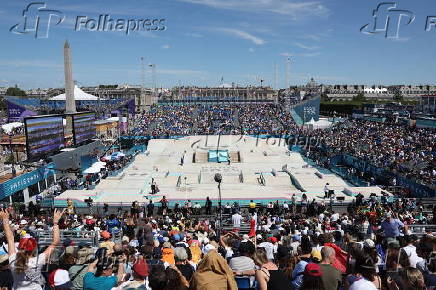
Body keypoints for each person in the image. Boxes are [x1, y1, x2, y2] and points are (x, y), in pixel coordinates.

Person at [0, 208, 64, 290]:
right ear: (34, 249)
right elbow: (55, 242)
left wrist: (5, 219)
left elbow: (10, 238)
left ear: (19, 247)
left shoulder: (13, 260)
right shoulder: (38, 261)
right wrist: (55, 223)